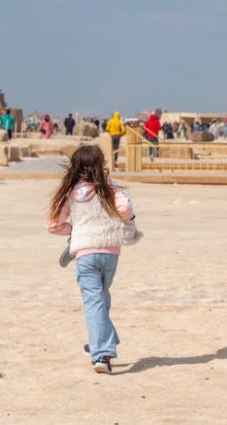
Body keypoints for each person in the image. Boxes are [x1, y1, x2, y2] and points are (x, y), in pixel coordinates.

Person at [47, 145, 141, 374]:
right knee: (101, 298)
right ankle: (99, 342)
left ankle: (102, 356)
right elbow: (125, 209)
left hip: (85, 252)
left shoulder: (70, 193)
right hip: (110, 253)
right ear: (100, 165)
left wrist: (74, 228)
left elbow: (52, 225)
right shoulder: (110, 189)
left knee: (93, 301)